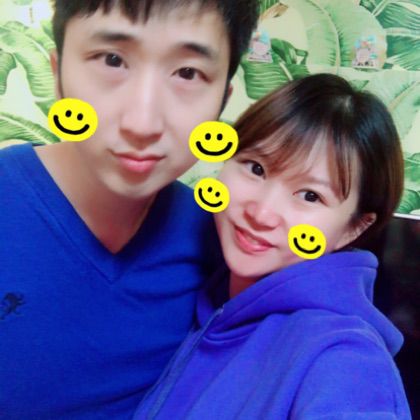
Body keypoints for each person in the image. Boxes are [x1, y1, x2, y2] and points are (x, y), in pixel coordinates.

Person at [0, 1, 258, 418]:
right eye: (112, 60)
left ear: (222, 101)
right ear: (57, 72)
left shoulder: (219, 240)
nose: (143, 124)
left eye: (187, 73)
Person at [134, 74, 412, 419]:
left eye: (310, 195)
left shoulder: (342, 355)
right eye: (256, 168)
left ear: (353, 228)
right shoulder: (210, 293)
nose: (262, 213)